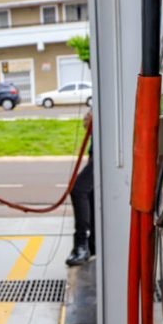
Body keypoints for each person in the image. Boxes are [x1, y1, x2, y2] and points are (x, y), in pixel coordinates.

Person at [66, 109, 95, 266]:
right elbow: (88, 122)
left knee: (79, 189)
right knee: (90, 193)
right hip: (97, 154)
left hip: (108, 153)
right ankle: (92, 243)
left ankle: (82, 244)